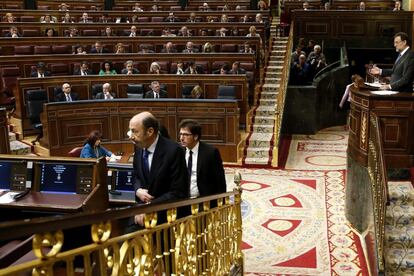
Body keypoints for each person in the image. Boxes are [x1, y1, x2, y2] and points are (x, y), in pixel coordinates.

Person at [128, 112, 188, 226]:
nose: (131, 136)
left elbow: (179, 191)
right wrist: (137, 190)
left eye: (135, 131)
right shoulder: (139, 146)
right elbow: (136, 176)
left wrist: (149, 207)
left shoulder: (174, 151)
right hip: (139, 214)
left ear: (150, 131)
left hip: (166, 217)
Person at [178, 119, 226, 198]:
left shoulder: (210, 153)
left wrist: (221, 201)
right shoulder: (178, 151)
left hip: (203, 200)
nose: (181, 138)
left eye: (186, 135)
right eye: (180, 134)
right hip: (182, 200)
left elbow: (220, 181)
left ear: (196, 136)